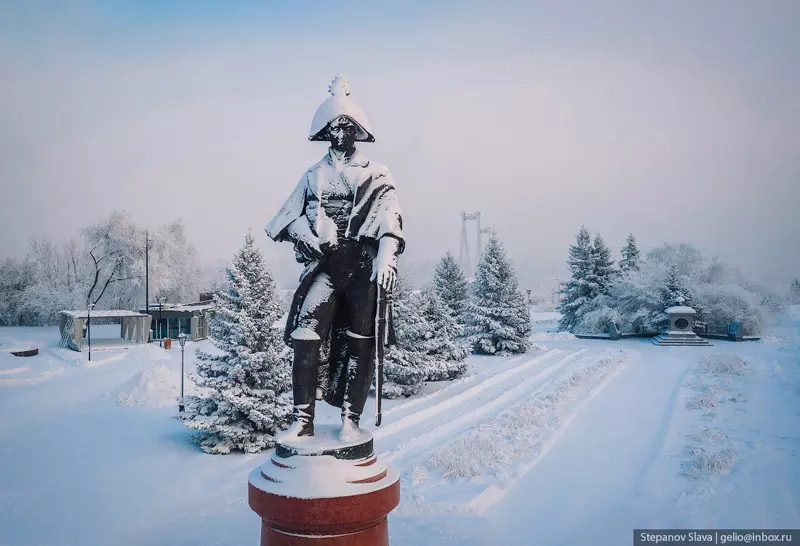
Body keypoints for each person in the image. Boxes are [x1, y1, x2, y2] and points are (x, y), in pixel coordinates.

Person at [265, 76, 404, 441]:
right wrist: (307, 236)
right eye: (334, 127)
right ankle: (302, 419)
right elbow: (285, 217)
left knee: (361, 341)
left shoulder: (377, 173)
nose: (340, 132)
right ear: (325, 132)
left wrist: (386, 257)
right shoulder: (313, 176)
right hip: (326, 267)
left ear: (358, 131)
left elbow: (391, 218)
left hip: (361, 268)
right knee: (304, 334)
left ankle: (350, 419)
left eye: (346, 126)